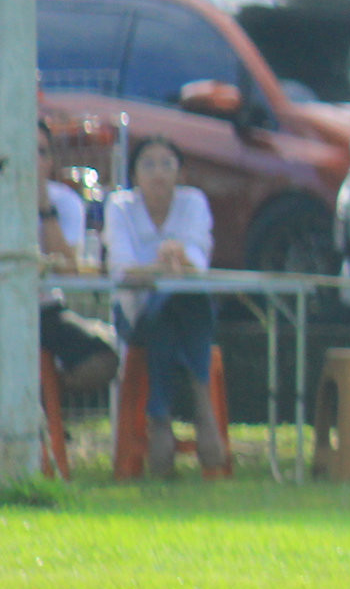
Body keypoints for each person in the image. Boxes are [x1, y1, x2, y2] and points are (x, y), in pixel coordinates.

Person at [105, 136, 226, 476]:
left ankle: (160, 417)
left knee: (180, 301)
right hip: (136, 316)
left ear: (180, 173)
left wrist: (180, 258)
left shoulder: (193, 202)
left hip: (184, 310)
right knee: (164, 305)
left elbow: (197, 264)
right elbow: (122, 270)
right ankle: (201, 404)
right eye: (148, 165)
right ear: (134, 175)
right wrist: (161, 268)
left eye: (166, 164)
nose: (158, 173)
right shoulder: (120, 207)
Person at [36, 118, 118, 395]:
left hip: (44, 311)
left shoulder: (65, 202)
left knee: (102, 358)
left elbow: (68, 271)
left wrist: (44, 209)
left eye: (41, 152)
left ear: (50, 162)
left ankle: (42, 398)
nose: (33, 160)